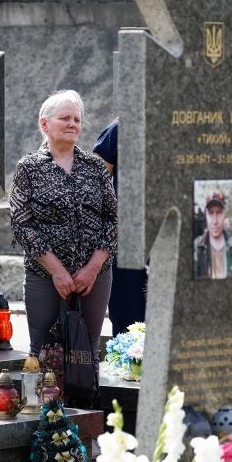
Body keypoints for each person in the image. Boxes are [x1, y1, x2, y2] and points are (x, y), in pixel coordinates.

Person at [10, 90, 117, 401]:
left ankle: (85, 428)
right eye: (65, 118)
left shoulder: (95, 168)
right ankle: (45, 430)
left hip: (94, 278)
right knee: (42, 352)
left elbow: (113, 220)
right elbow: (22, 222)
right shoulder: (29, 168)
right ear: (45, 123)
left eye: (77, 119)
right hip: (45, 278)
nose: (72, 124)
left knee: (87, 350)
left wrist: (93, 267)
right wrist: (57, 271)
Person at [92, 118, 147, 336]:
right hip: (129, 243)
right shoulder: (121, 127)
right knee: (130, 320)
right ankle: (131, 368)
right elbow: (94, 183)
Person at [194, 190, 232, 279]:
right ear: (206, 215)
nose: (215, 221)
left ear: (225, 214)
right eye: (211, 213)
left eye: (219, 212)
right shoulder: (196, 246)